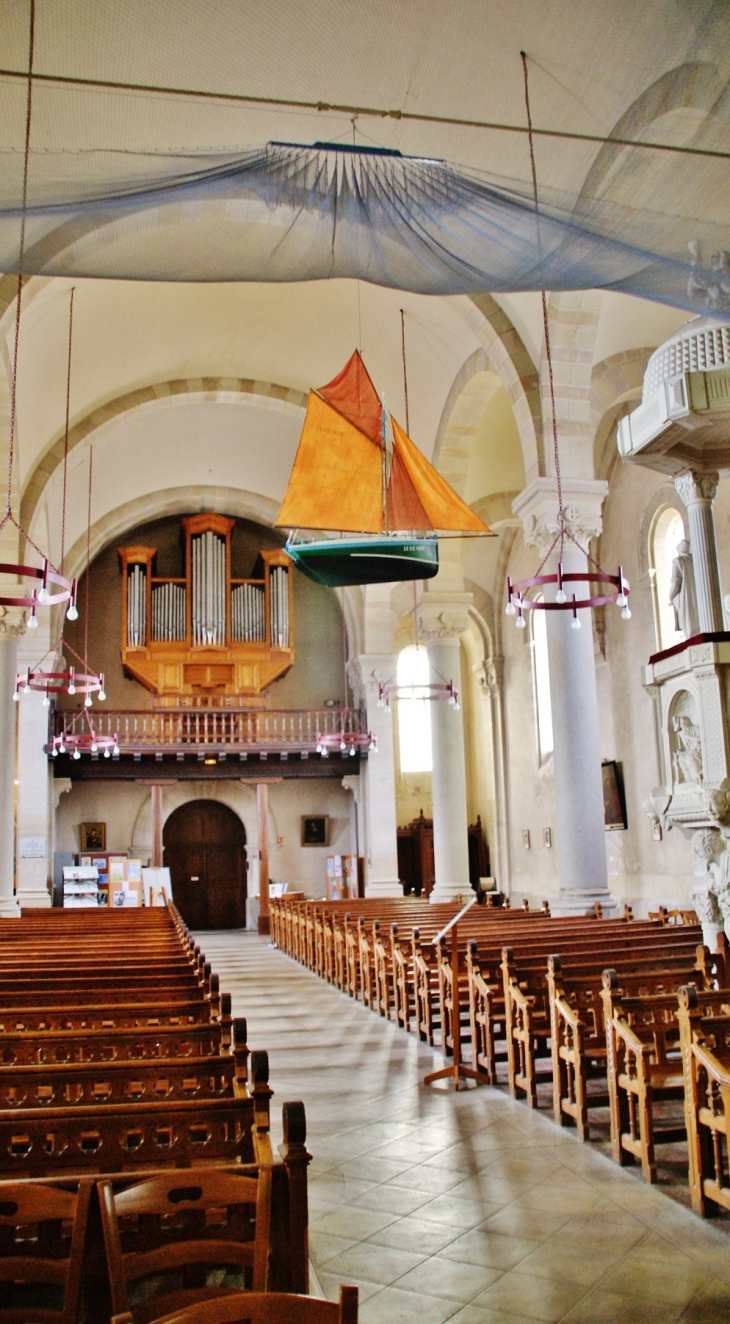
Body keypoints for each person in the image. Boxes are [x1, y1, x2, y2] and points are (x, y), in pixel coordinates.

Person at [668, 539, 699, 638]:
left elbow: (676, 582)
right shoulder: (694, 562)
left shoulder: (677, 561)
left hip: (685, 597)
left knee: (688, 622)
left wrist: (670, 597)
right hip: (697, 597)